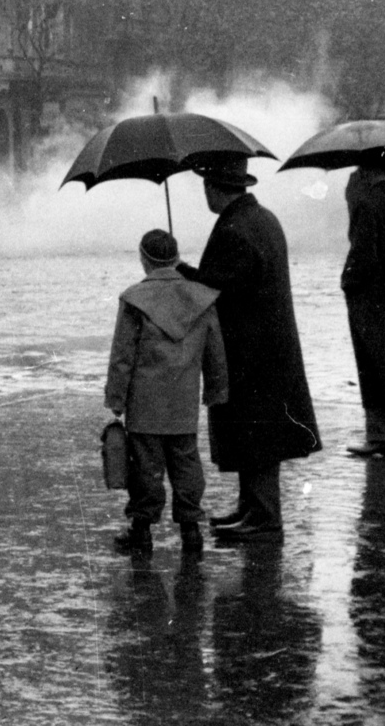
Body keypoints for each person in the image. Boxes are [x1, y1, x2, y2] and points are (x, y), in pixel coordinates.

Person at [179, 156, 320, 541]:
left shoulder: (235, 229)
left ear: (212, 187)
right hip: (267, 346)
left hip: (249, 350)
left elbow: (219, 289)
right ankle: (252, 508)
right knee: (255, 431)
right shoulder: (262, 218)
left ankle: (264, 517)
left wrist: (183, 273)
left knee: (255, 432)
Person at [104, 229, 228, 554]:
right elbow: (215, 351)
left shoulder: (134, 300)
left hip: (145, 404)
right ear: (175, 258)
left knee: (145, 467)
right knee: (186, 464)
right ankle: (191, 531)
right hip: (183, 403)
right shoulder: (200, 299)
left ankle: (141, 531)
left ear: (144, 259)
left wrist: (115, 400)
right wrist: (216, 391)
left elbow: (122, 356)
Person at [341, 154, 385, 457]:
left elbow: (362, 257)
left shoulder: (368, 203)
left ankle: (381, 435)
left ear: (364, 170)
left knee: (374, 365)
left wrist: (346, 282)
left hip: (373, 300)